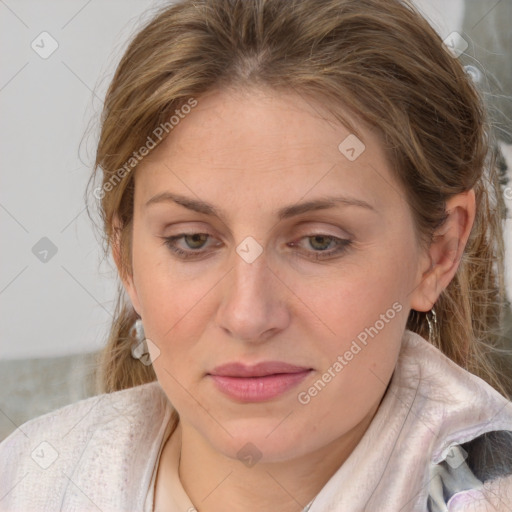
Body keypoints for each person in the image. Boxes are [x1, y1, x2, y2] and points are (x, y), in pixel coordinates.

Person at [1, 0, 512, 510]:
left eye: (319, 242)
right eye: (193, 240)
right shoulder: (29, 479)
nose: (248, 316)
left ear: (438, 253)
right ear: (125, 257)